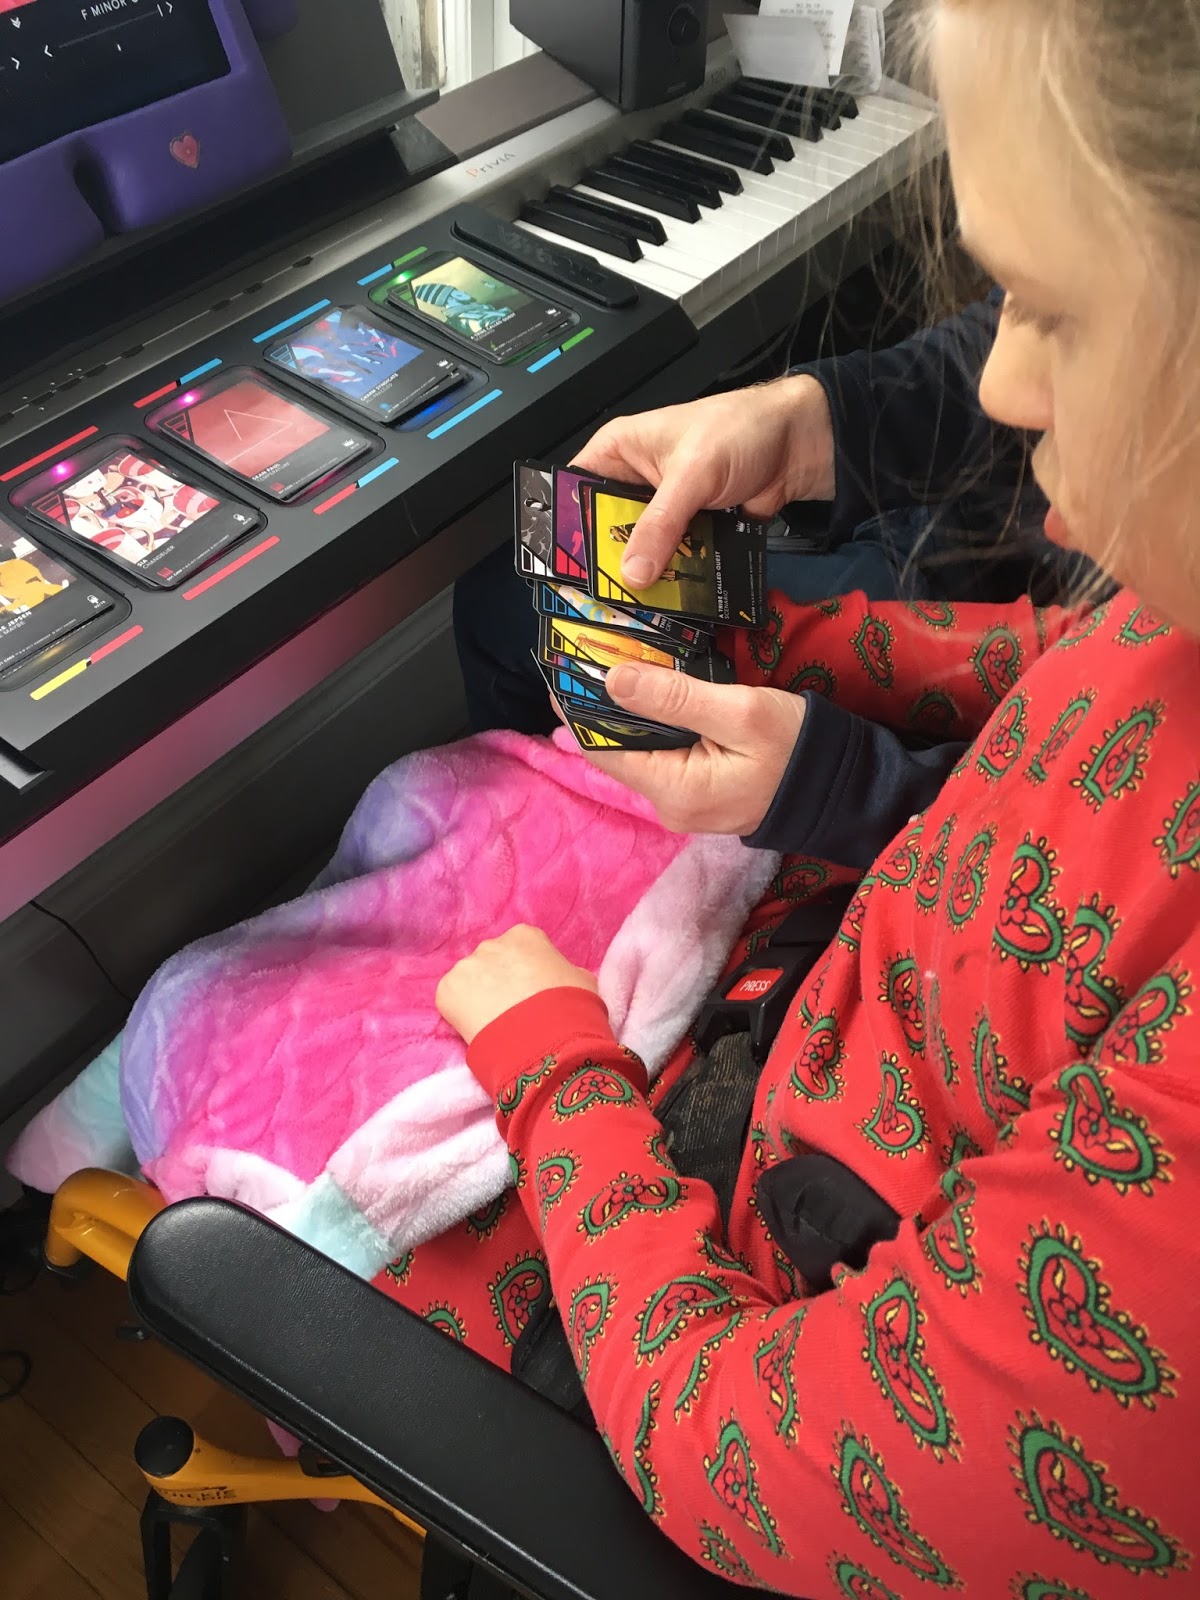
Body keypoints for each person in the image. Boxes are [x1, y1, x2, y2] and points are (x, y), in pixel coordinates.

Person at [377, 3, 1200, 1593]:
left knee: (217, 1076)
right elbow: (1091, 689)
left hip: (739, 1303)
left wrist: (558, 1076)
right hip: (812, 1035)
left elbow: (737, 1452)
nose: (1000, 385)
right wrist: (797, 653)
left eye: (1049, 310)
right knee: (511, 603)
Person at [453, 289, 1084, 739]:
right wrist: (808, 419)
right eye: (1020, 293)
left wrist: (825, 786)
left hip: (987, 599)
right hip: (946, 507)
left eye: (1067, 319)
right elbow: (980, 350)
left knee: (498, 597)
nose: (996, 388)